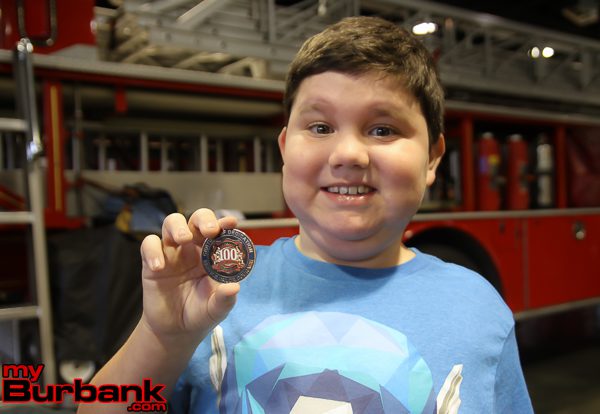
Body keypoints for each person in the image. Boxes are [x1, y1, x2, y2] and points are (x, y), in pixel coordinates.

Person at [79, 16, 533, 414]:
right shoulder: (213, 294)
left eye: (382, 129)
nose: (348, 153)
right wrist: (162, 338)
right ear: (284, 148)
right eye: (320, 127)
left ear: (432, 158)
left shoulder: (478, 309)